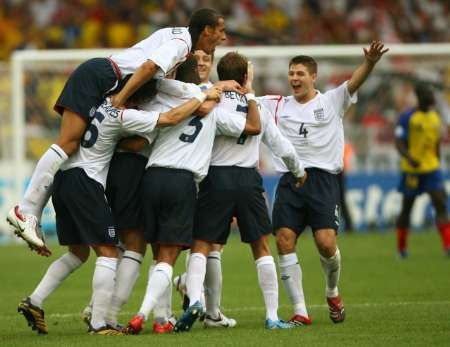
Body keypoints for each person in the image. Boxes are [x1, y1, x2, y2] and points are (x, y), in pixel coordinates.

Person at [7, 8, 229, 253]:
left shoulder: (175, 34)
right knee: (68, 143)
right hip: (101, 78)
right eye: (221, 31)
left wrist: (201, 92)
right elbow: (146, 68)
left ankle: (31, 215)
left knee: (72, 148)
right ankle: (25, 210)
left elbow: (159, 81)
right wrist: (120, 97)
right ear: (207, 30)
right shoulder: (181, 44)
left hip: (103, 78)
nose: (224, 37)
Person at [17, 78, 221, 335]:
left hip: (64, 176)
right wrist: (204, 96)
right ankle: (102, 320)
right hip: (93, 180)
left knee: (78, 253)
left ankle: (35, 300)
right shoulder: (127, 114)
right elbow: (161, 125)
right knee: (114, 251)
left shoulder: (98, 105)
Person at [125, 57, 261, 335]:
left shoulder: (164, 103)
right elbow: (251, 128)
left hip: (151, 178)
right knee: (168, 255)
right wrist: (248, 94)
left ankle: (162, 318)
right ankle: (142, 314)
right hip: (182, 180)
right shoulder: (215, 110)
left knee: (156, 254)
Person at [259, 41, 388, 325]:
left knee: (326, 243)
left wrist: (370, 62)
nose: (294, 78)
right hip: (290, 181)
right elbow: (248, 100)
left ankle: (332, 292)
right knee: (283, 240)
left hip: (323, 181)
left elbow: (354, 82)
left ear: (313, 76)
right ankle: (300, 311)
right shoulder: (277, 104)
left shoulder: (331, 100)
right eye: (291, 73)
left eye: (300, 73)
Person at [177, 52, 307, 332]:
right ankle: (272, 316)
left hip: (216, 177)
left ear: (220, 74)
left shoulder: (211, 100)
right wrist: (298, 171)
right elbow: (280, 145)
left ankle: (196, 298)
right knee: (261, 247)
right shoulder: (256, 106)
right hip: (249, 179)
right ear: (246, 77)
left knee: (201, 243)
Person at [173, 49, 237, 328]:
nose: (201, 64)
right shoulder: (193, 91)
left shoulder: (213, 92)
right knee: (185, 245)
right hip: (187, 175)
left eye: (206, 61)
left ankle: (195, 293)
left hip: (208, 177)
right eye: (197, 61)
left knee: (212, 244)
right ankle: (194, 299)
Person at [394, 83, 450, 258]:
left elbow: (436, 143)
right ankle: (402, 248)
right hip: (412, 170)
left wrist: (438, 163)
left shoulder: (435, 117)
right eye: (428, 98)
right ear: (420, 98)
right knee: (406, 209)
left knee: (440, 203)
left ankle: (448, 246)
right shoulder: (407, 117)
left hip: (432, 169)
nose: (431, 102)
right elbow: (399, 142)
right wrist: (409, 157)